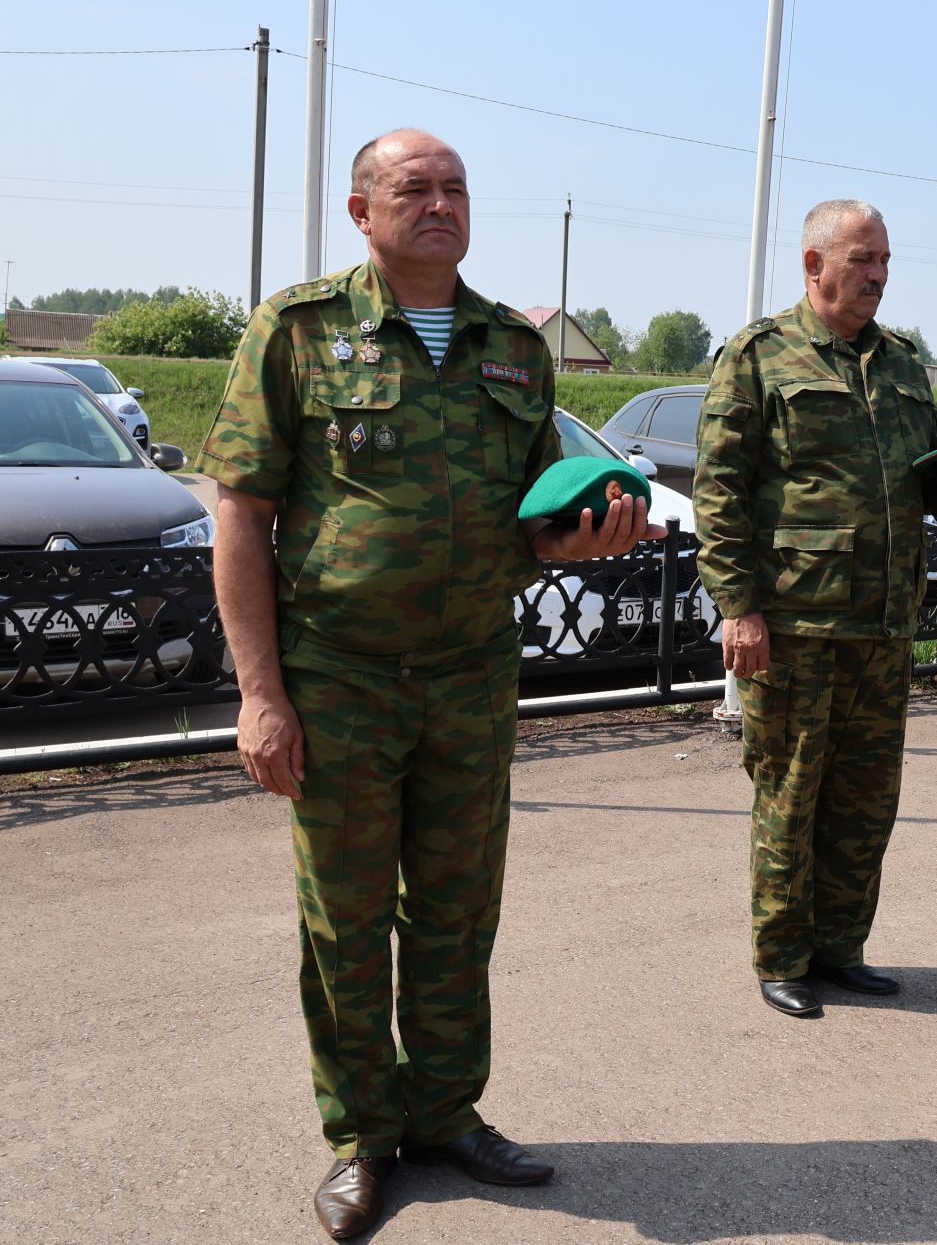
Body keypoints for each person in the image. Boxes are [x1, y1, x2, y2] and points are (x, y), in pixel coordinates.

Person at [203, 129, 657, 1241]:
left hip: (469, 677)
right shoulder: (298, 329)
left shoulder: (516, 342)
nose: (441, 203)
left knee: (456, 911)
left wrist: (578, 541)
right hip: (339, 678)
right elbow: (241, 516)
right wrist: (261, 694)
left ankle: (448, 1110)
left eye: (456, 187)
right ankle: (362, 1136)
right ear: (362, 211)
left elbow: (527, 521)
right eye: (415, 187)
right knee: (347, 920)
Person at [695, 199, 937, 1017]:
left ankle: (841, 947)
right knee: (791, 791)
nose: (878, 276)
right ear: (814, 265)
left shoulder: (902, 361)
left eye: (885, 262)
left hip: (884, 624)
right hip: (795, 623)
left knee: (866, 797)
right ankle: (782, 956)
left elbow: (931, 485)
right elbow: (718, 493)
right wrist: (738, 608)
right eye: (862, 261)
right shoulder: (757, 356)